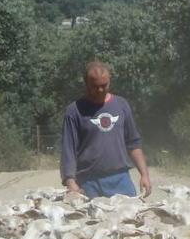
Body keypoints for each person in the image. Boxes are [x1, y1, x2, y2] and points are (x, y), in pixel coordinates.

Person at [61, 61, 152, 199]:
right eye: (95, 86)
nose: (100, 90)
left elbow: (133, 143)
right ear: (86, 83)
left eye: (104, 86)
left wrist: (144, 174)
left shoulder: (121, 105)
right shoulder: (74, 111)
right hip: (88, 182)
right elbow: (68, 150)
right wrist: (70, 182)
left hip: (120, 179)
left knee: (130, 218)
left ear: (110, 81)